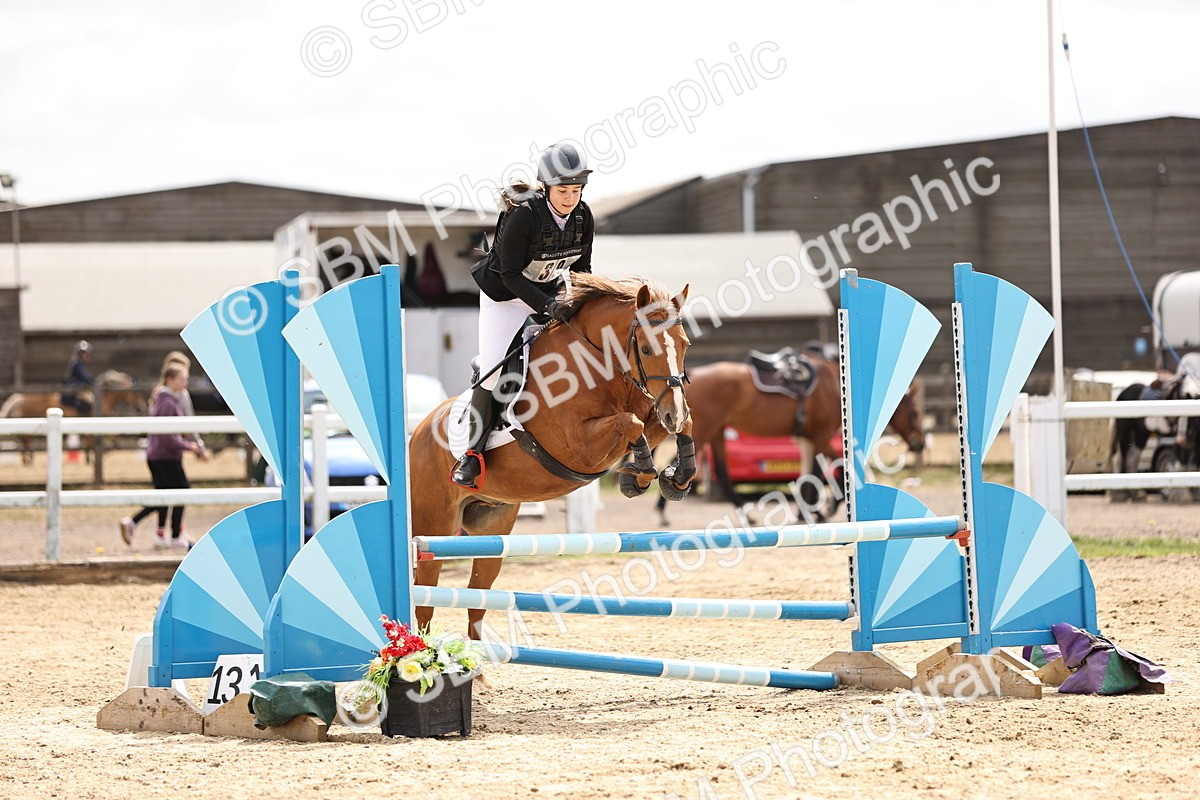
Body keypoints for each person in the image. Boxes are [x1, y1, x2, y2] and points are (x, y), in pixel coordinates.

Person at [450, 141, 596, 490]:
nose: (570, 198)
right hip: (504, 297)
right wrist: (548, 308)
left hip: (548, 291)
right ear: (546, 187)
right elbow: (510, 275)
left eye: (576, 190)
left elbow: (583, 269)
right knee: (492, 370)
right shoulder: (523, 216)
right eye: (563, 190)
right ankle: (472, 454)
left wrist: (576, 302)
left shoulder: (583, 216)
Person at [118, 364, 209, 549]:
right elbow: (168, 436)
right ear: (170, 380)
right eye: (182, 379)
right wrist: (189, 446)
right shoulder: (168, 402)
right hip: (165, 456)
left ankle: (133, 522)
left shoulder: (163, 398)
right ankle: (175, 536)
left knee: (164, 495)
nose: (186, 383)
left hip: (157, 455)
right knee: (182, 491)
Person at [61, 340, 96, 415]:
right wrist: (93, 382)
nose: (87, 357)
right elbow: (84, 376)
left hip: (77, 386)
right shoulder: (77, 364)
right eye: (85, 354)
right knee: (91, 399)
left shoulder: (77, 363)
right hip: (75, 387)